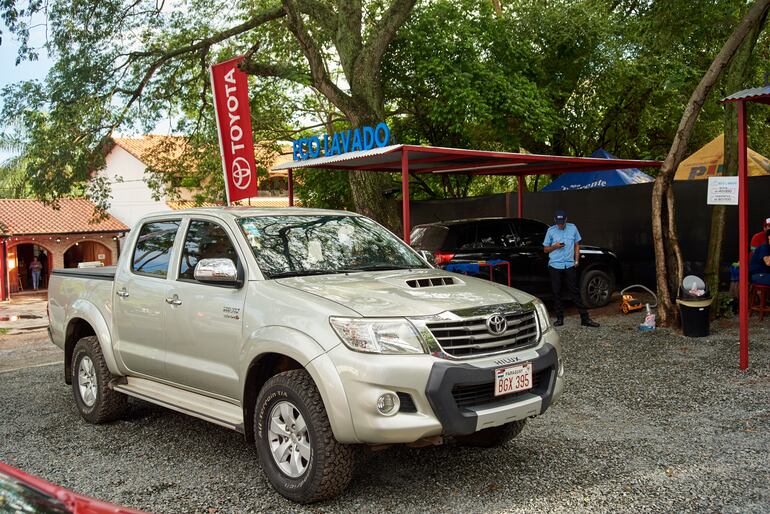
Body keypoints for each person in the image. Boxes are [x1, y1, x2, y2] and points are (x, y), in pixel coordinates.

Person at [543, 210, 599, 327]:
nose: (560, 225)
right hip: (555, 265)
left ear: (566, 219)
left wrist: (577, 260)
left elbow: (577, 245)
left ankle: (585, 319)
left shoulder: (573, 228)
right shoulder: (550, 231)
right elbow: (545, 249)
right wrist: (555, 246)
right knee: (556, 292)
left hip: (569, 265)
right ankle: (559, 319)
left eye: (562, 222)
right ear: (555, 221)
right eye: (558, 222)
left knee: (575, 291)